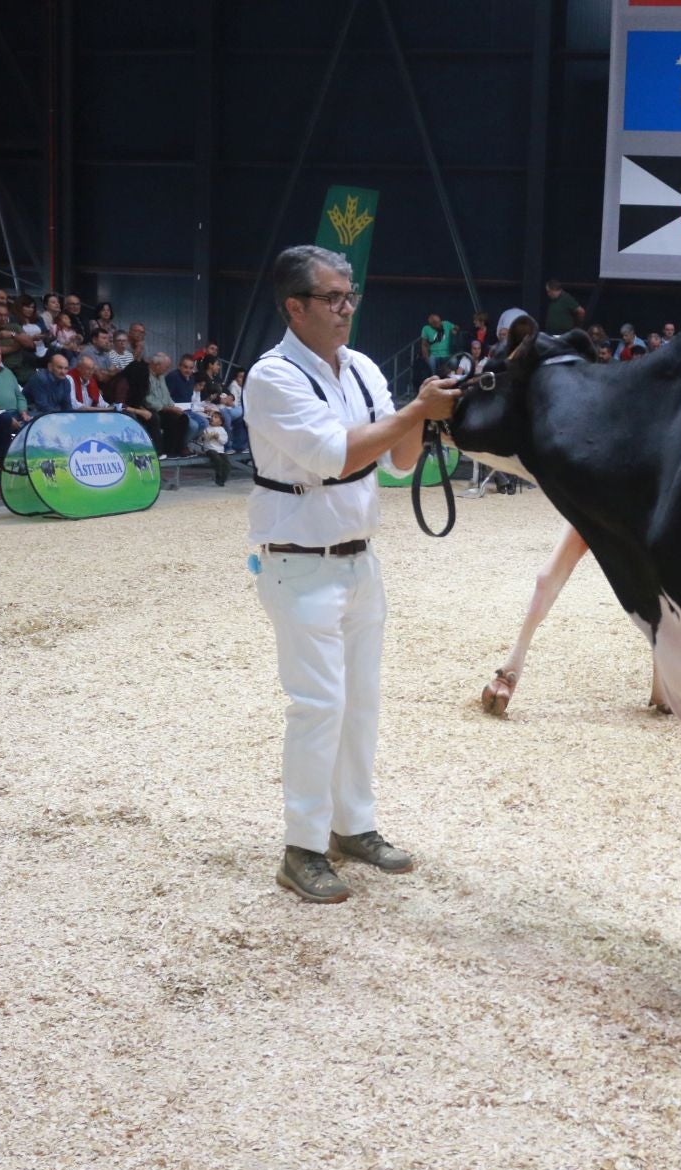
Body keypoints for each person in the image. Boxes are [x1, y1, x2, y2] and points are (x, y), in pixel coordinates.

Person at [248, 244, 462, 903]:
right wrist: (415, 411)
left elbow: (399, 461)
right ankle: (302, 848)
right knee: (318, 707)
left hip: (361, 560)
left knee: (361, 702)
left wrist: (423, 417)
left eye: (350, 296)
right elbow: (334, 457)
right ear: (295, 307)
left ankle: (354, 826)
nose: (346, 309)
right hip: (299, 563)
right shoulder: (272, 377)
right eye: (333, 298)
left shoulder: (363, 368)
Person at [25, 352, 75, 417]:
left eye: (66, 368)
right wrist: (61, 417)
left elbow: (67, 405)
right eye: (60, 368)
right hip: (33, 413)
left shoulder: (66, 382)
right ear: (50, 367)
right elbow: (42, 406)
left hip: (53, 414)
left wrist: (69, 416)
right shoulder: (40, 379)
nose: (63, 372)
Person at [418, 312, 459, 377]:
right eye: (436, 323)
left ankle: (451, 377)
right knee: (430, 365)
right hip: (434, 354)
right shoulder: (426, 328)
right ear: (431, 324)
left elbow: (456, 327)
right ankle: (434, 378)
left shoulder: (446, 324)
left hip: (447, 354)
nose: (439, 324)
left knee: (454, 361)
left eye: (439, 321)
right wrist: (426, 357)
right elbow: (424, 344)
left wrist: (455, 329)